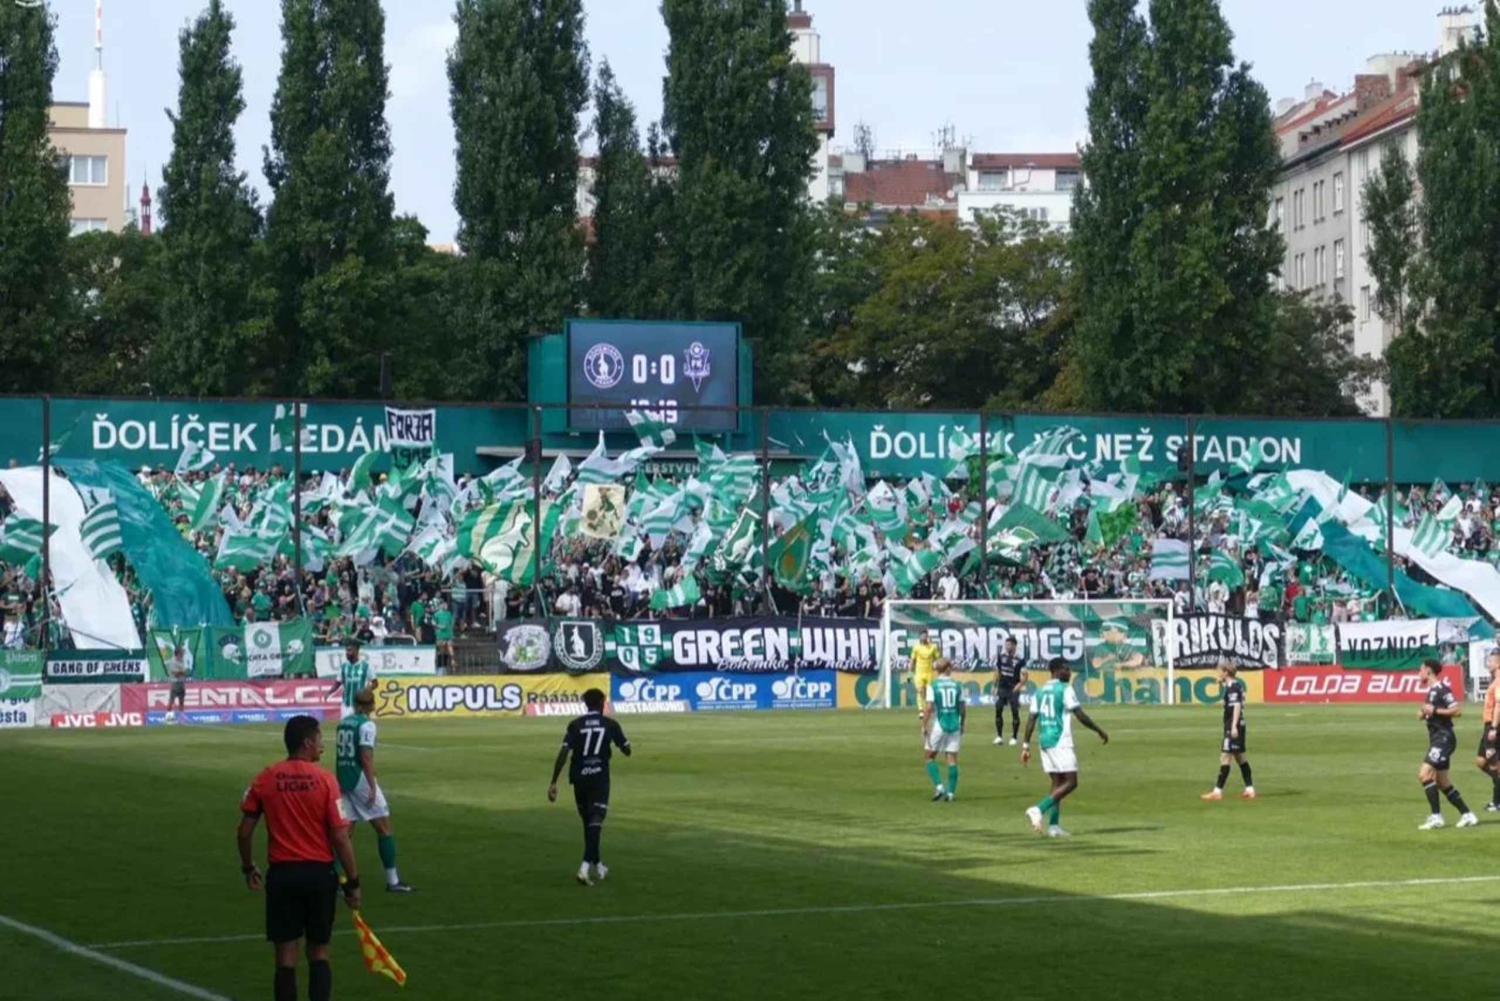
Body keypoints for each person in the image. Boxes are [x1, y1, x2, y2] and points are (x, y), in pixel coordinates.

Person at [237, 715, 361, 1001]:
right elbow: (341, 837)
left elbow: (244, 833)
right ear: (307, 742)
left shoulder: (266, 777)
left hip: (282, 877)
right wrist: (353, 882)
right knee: (319, 951)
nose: (323, 745)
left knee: (285, 956)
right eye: (319, 739)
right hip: (319, 876)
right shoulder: (326, 780)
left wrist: (248, 867)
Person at [548, 688, 631, 886]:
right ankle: (585, 867)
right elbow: (627, 750)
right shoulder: (610, 724)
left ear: (586, 704)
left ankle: (598, 865)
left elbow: (563, 753)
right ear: (602, 703)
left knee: (589, 824)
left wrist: (553, 782)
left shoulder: (575, 725)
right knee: (596, 821)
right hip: (599, 778)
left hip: (579, 778)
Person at [335, 689, 415, 893]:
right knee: (384, 827)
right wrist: (372, 785)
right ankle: (393, 881)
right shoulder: (367, 725)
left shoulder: (343, 723)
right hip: (360, 779)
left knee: (345, 832)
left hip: (342, 778)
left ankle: (333, 879)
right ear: (371, 705)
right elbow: (366, 756)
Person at [1022, 658, 1109, 838]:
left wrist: (1025, 745)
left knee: (1057, 784)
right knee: (1071, 782)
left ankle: (1053, 826)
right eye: (1066, 669)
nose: (1069, 672)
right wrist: (1098, 730)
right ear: (1055, 671)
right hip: (1060, 741)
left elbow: (1031, 719)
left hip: (1044, 741)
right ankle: (1038, 809)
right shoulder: (1064, 689)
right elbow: (1079, 714)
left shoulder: (1039, 692)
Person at [1415, 658, 1479, 830]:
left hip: (1444, 739)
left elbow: (1456, 710)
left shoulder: (1442, 689)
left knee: (1424, 774)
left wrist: (1434, 710)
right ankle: (1467, 814)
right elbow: (1433, 712)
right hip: (1437, 738)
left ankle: (1436, 817)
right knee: (1442, 781)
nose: (1418, 673)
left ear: (1428, 671)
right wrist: (1425, 714)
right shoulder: (1431, 692)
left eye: (1420, 670)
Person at [1201, 662, 1256, 801]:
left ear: (1226, 672)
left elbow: (1237, 705)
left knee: (1225, 757)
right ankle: (1250, 789)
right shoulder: (1234, 685)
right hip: (1235, 724)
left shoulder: (1234, 687)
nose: (1219, 674)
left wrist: (1233, 726)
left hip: (1233, 724)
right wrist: (1222, 683)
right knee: (1240, 757)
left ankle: (1217, 791)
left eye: (1220, 671)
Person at [921, 658, 965, 801]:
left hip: (940, 724)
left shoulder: (933, 686)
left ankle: (940, 787)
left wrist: (923, 725)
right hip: (955, 724)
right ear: (948, 669)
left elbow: (928, 708)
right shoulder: (958, 686)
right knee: (952, 759)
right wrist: (962, 724)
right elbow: (963, 709)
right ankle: (951, 793)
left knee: (929, 756)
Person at [328, 639, 376, 720]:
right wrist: (329, 692)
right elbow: (337, 683)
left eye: (349, 650)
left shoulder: (366, 666)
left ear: (356, 651)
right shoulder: (343, 667)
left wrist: (368, 689)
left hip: (361, 705)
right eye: (346, 651)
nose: (347, 653)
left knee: (361, 726)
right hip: (346, 705)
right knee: (346, 726)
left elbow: (375, 683)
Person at [993, 636, 1026, 747]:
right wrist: (994, 686)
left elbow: (1025, 675)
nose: (1007, 647)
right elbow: (997, 671)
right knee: (998, 709)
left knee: (1014, 712)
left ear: (1014, 646)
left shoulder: (1020, 659)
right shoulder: (1001, 657)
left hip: (1013, 688)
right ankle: (999, 736)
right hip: (1002, 688)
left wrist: (1020, 685)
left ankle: (1014, 737)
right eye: (1006, 645)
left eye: (1009, 645)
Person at [1477, 650, 1500, 811]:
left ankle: (1497, 801)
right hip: (1488, 725)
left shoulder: (1499, 681)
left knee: (1493, 763)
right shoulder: (1495, 680)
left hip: (1493, 726)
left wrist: (1493, 727)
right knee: (1481, 761)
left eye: (1490, 661)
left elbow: (1499, 705)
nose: (1488, 664)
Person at [908, 630, 940, 721]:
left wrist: (938, 668)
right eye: (922, 636)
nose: (924, 637)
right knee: (920, 691)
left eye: (925, 636)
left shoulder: (933, 647)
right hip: (919, 673)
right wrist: (910, 673)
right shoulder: (916, 648)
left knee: (928, 693)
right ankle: (921, 710)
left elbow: (937, 658)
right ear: (919, 637)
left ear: (927, 636)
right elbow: (912, 661)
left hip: (929, 673)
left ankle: (929, 709)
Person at [165, 642, 192, 724]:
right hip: (175, 684)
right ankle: (168, 716)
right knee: (171, 701)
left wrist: (184, 672)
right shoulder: (172, 662)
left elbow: (183, 671)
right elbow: (174, 672)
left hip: (181, 684)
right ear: (177, 654)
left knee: (181, 701)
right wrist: (183, 671)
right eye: (181, 654)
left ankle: (181, 718)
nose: (183, 655)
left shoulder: (182, 661)